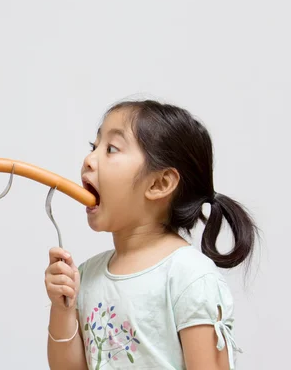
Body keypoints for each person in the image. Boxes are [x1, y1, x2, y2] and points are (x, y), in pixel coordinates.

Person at [44, 99, 257, 369]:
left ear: (159, 183)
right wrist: (62, 309)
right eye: (93, 146)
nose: (88, 160)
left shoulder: (189, 277)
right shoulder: (86, 276)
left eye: (110, 149)